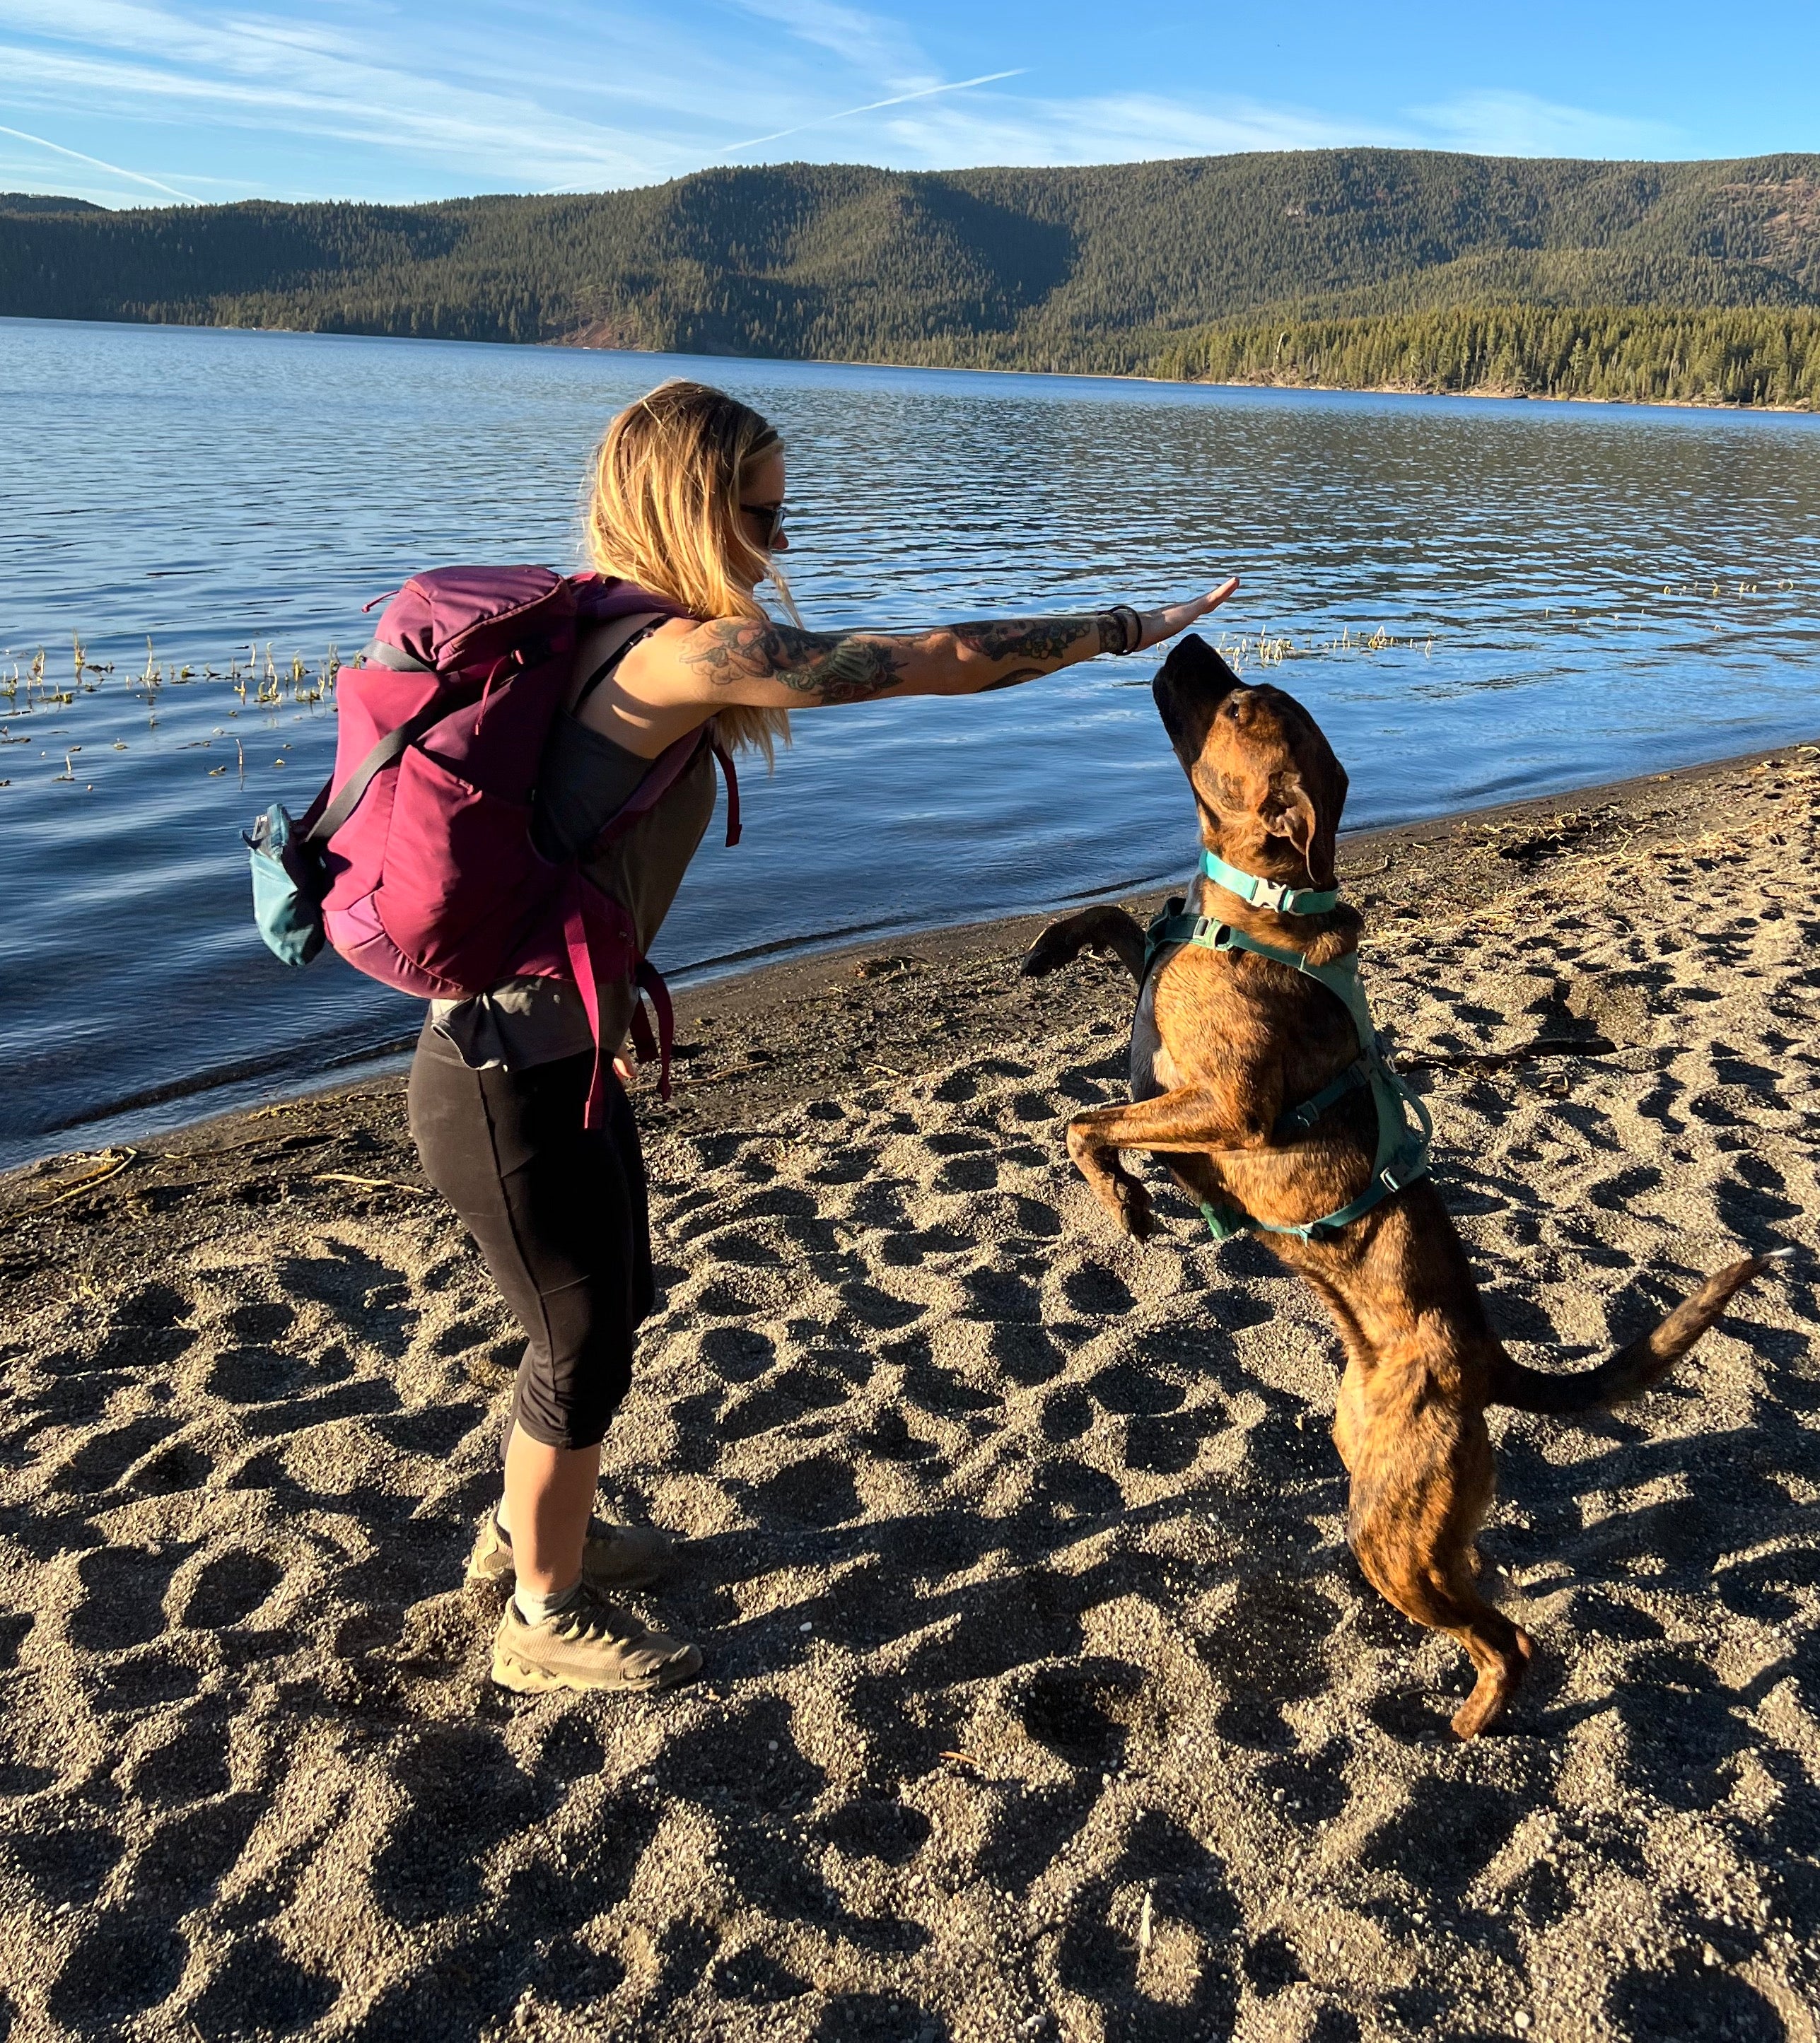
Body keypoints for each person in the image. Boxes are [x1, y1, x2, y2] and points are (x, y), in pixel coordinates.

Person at [407, 377, 1239, 1696]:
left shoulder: (605, 634)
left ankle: (527, 1524)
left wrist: (614, 1005)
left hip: (558, 1057)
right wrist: (1122, 627)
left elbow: (575, 863)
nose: (776, 549)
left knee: (607, 1303)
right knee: (581, 1338)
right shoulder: (674, 655)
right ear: (687, 502)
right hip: (503, 1076)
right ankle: (538, 1616)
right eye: (758, 516)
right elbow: (934, 659)